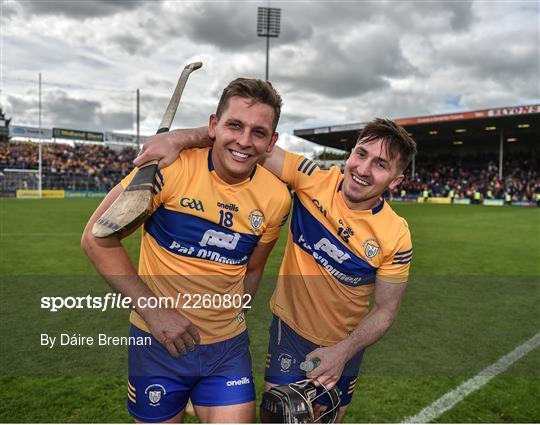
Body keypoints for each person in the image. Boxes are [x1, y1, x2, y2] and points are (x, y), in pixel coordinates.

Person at [135, 118, 417, 422]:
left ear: (395, 180)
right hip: (290, 335)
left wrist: (344, 351)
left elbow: (386, 310)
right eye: (361, 154)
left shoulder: (396, 235)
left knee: (325, 418)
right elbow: (247, 141)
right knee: (279, 416)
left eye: (380, 164)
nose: (362, 169)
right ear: (350, 154)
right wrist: (180, 137)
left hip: (345, 344)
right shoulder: (312, 178)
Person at [81, 78, 291, 423]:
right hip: (157, 344)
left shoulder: (277, 198)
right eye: (234, 125)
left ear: (272, 141)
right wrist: (155, 313)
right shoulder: (170, 168)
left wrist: (236, 315)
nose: (244, 140)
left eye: (258, 132)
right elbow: (96, 237)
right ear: (213, 125)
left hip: (227, 350)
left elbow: (254, 269)